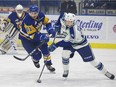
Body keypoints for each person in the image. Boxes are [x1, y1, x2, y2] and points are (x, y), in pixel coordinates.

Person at [49, 12, 115, 79]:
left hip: (81, 45)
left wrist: (56, 45)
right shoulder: (64, 19)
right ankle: (66, 70)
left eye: (70, 22)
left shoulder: (74, 31)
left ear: (73, 21)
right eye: (67, 21)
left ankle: (106, 72)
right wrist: (57, 25)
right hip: (70, 42)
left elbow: (68, 43)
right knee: (64, 55)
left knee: (93, 62)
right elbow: (62, 14)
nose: (68, 23)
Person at [19, 5, 56, 72]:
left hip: (36, 36)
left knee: (45, 49)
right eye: (31, 13)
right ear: (29, 12)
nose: (33, 15)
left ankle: (48, 64)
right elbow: (32, 35)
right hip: (26, 40)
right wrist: (42, 36)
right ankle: (35, 60)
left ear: (38, 12)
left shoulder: (41, 15)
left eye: (35, 13)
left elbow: (47, 22)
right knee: (37, 55)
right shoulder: (27, 20)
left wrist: (50, 29)